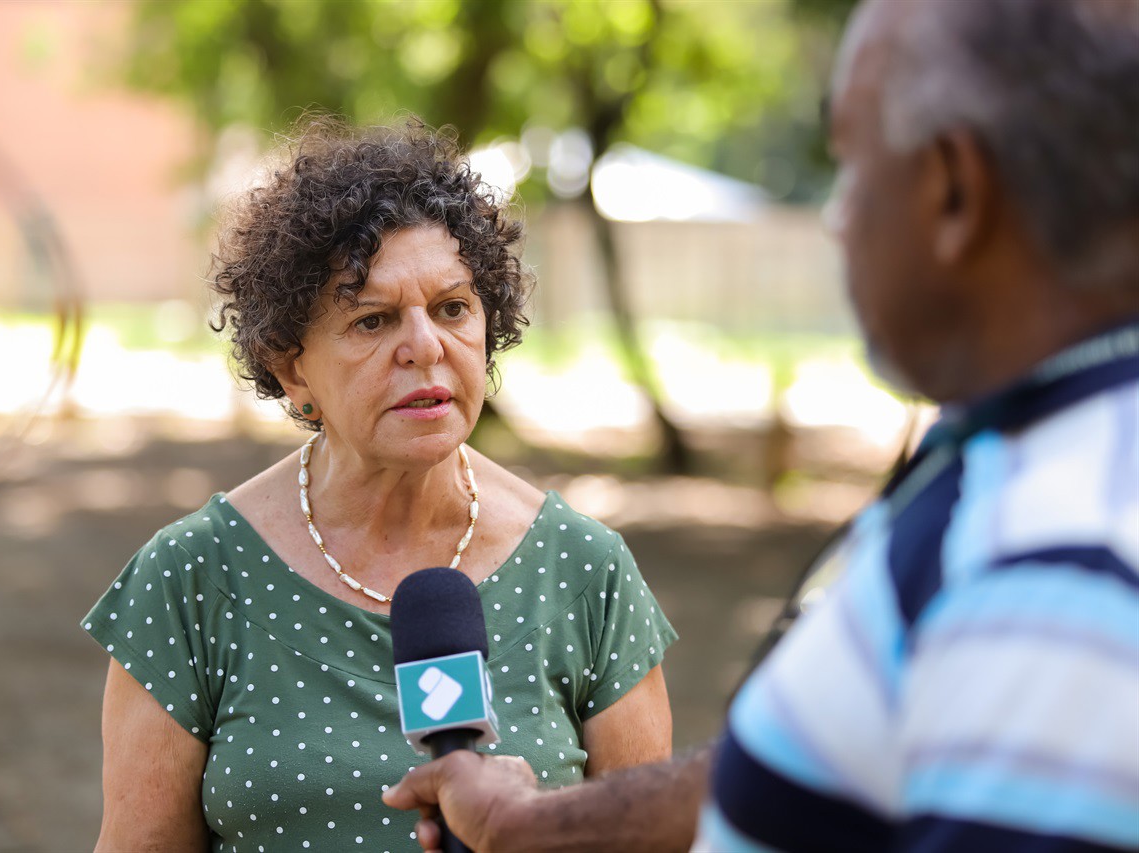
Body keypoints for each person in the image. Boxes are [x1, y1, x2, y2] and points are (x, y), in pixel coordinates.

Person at [383, 0, 1139, 850]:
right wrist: (526, 822)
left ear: (953, 187)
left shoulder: (1055, 566)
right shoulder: (1022, 459)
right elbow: (833, 758)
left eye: (852, 165)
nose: (835, 217)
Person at [82, 118, 679, 852]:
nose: (426, 346)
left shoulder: (584, 571)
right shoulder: (192, 577)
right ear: (291, 366)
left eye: (454, 308)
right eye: (374, 319)